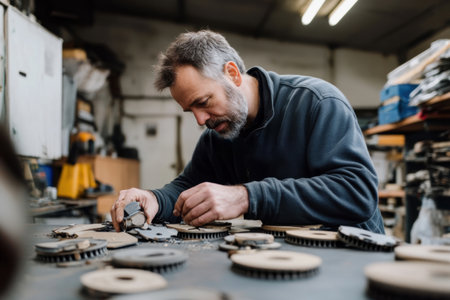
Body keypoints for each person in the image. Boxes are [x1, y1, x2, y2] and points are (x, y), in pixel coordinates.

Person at [111, 30, 384, 233]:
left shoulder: (316, 102)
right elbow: (188, 187)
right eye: (190, 111)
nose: (200, 119)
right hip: (290, 259)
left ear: (232, 74)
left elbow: (356, 192)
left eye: (203, 103)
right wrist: (155, 199)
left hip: (353, 257)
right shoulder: (219, 135)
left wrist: (247, 196)